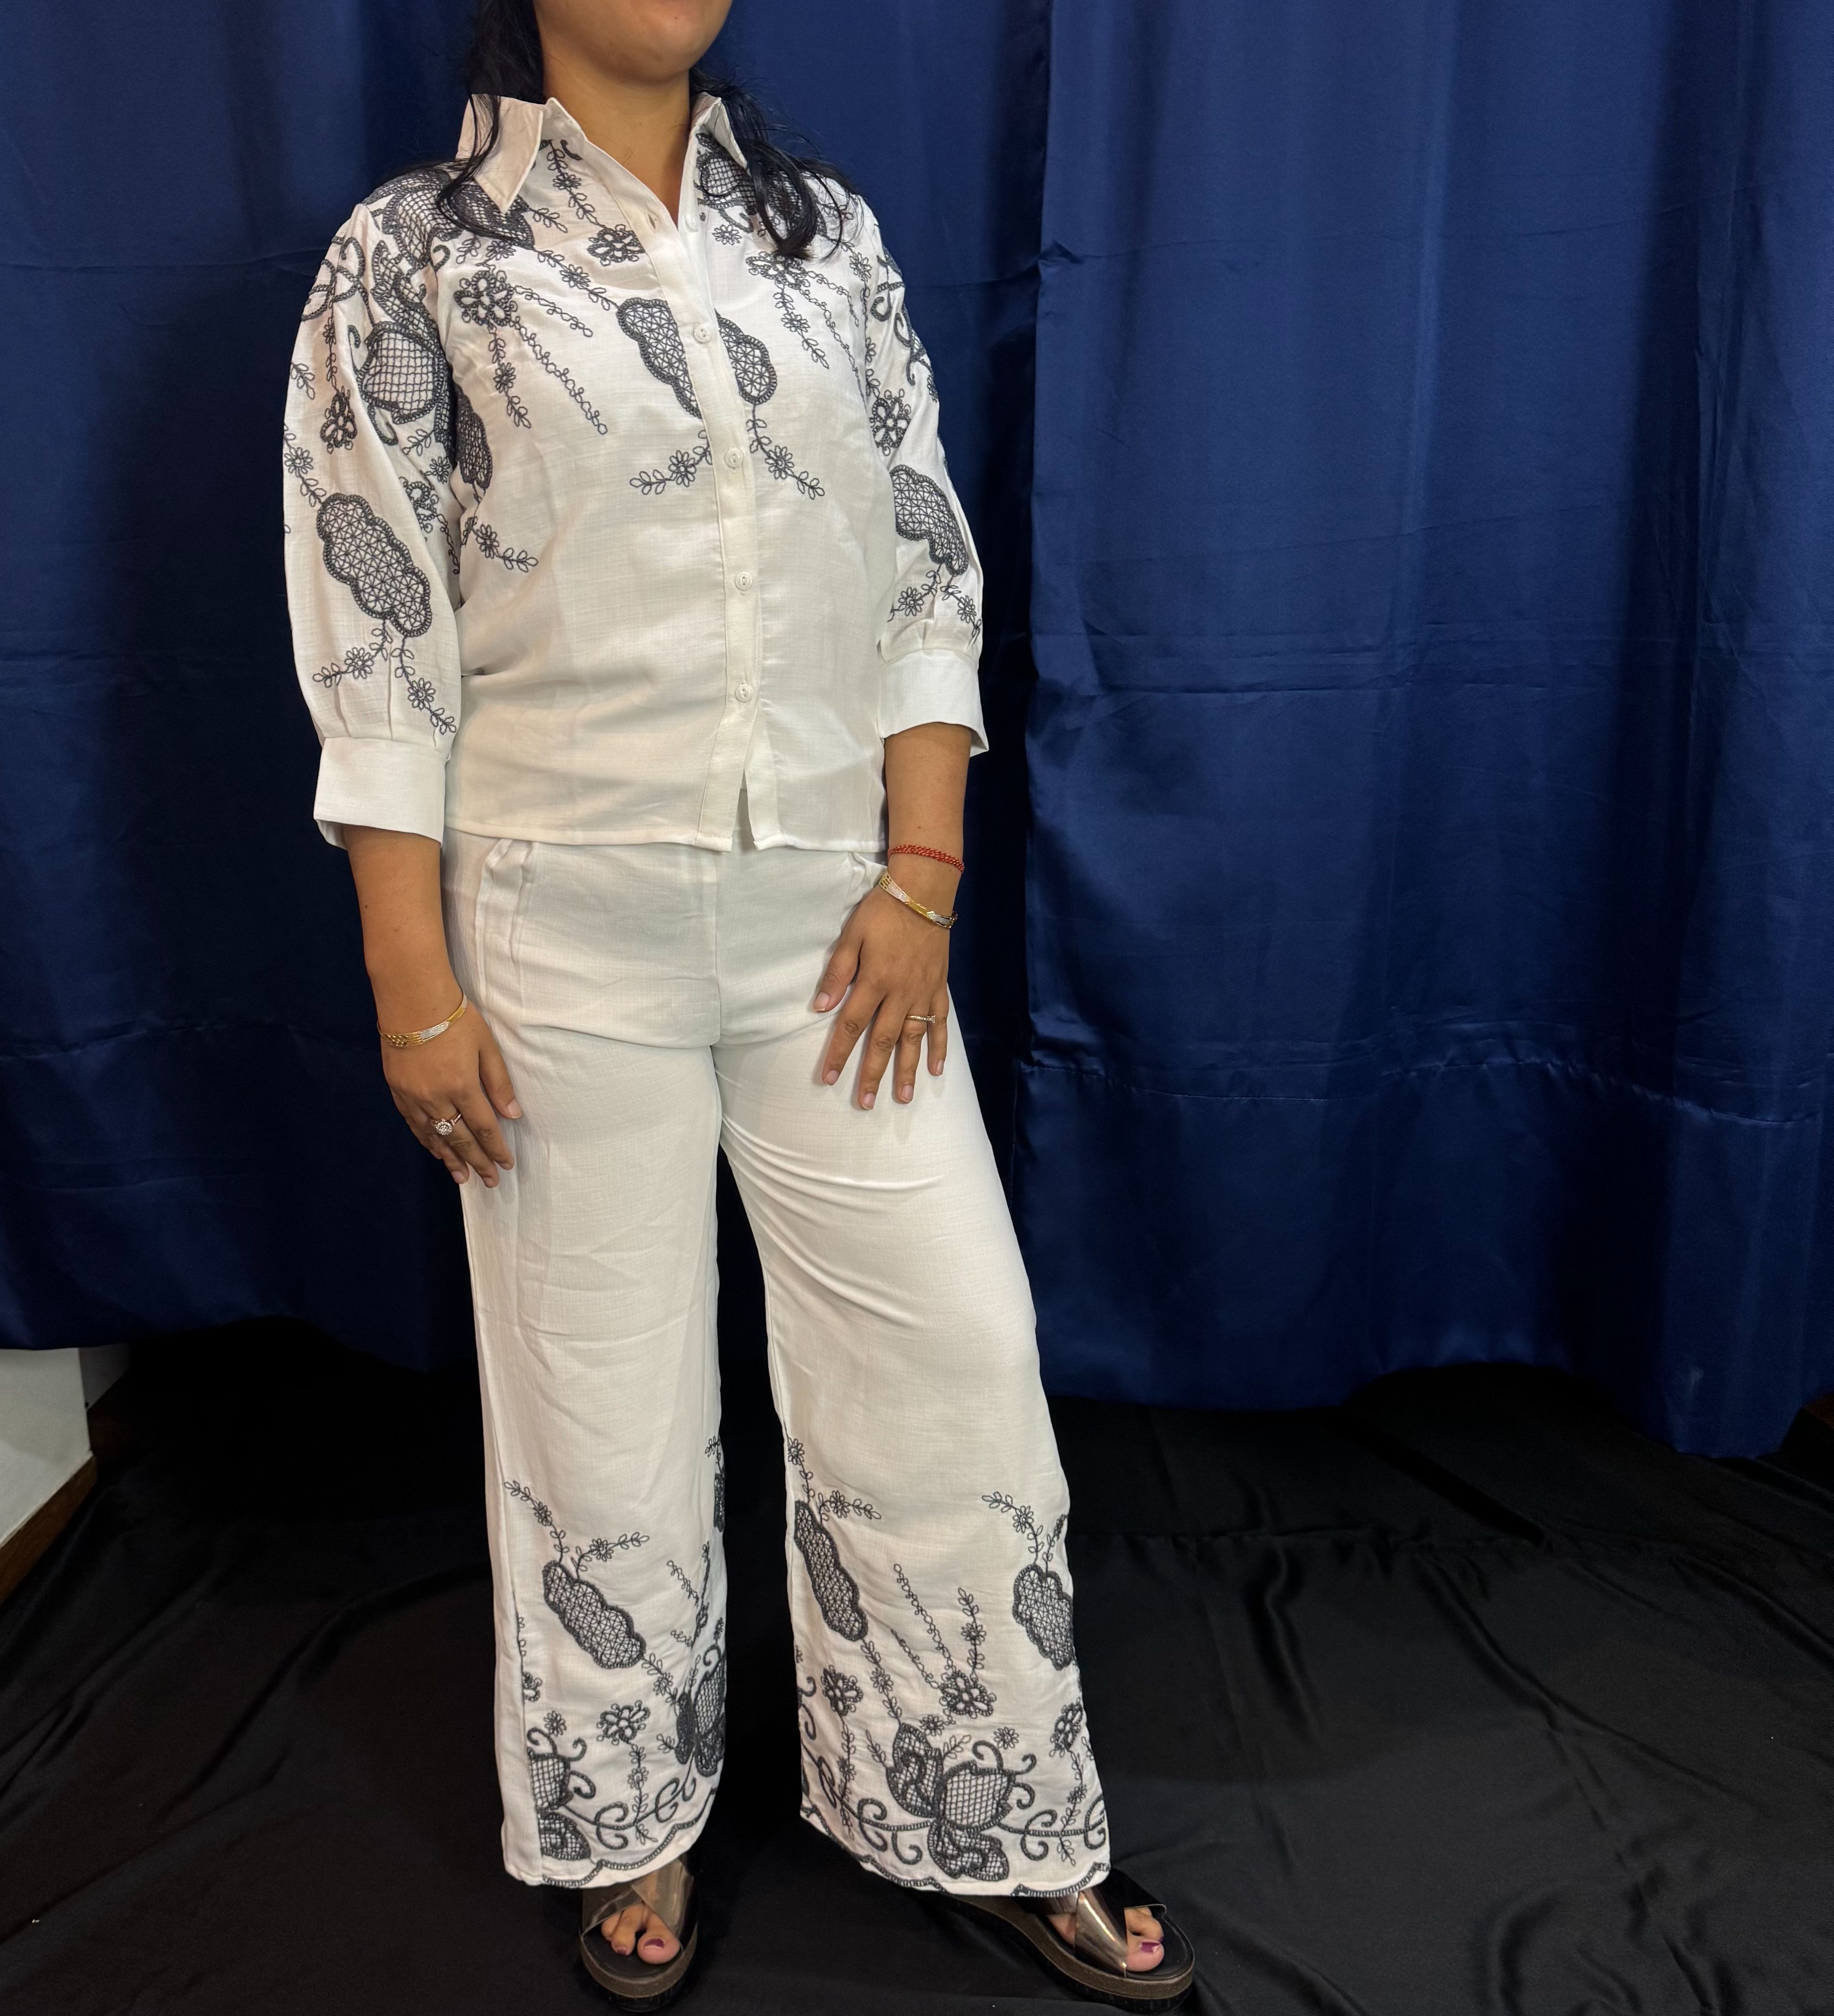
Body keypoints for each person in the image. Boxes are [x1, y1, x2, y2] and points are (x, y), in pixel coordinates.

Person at [283, 0, 1195, 2004]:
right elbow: (374, 620)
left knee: (954, 1351)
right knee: (597, 1402)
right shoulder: (416, 252)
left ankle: (989, 1805)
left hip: (833, 925)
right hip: (552, 923)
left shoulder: (820, 237)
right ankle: (634, 1821)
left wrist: (922, 870)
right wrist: (409, 978)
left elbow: (923, 560)